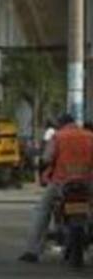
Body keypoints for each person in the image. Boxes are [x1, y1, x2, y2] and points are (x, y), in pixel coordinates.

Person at [19, 112, 93, 262]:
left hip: (62, 183)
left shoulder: (58, 137)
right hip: (87, 182)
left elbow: (47, 158)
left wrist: (42, 167)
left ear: (61, 124)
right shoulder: (89, 136)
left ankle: (32, 250)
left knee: (42, 210)